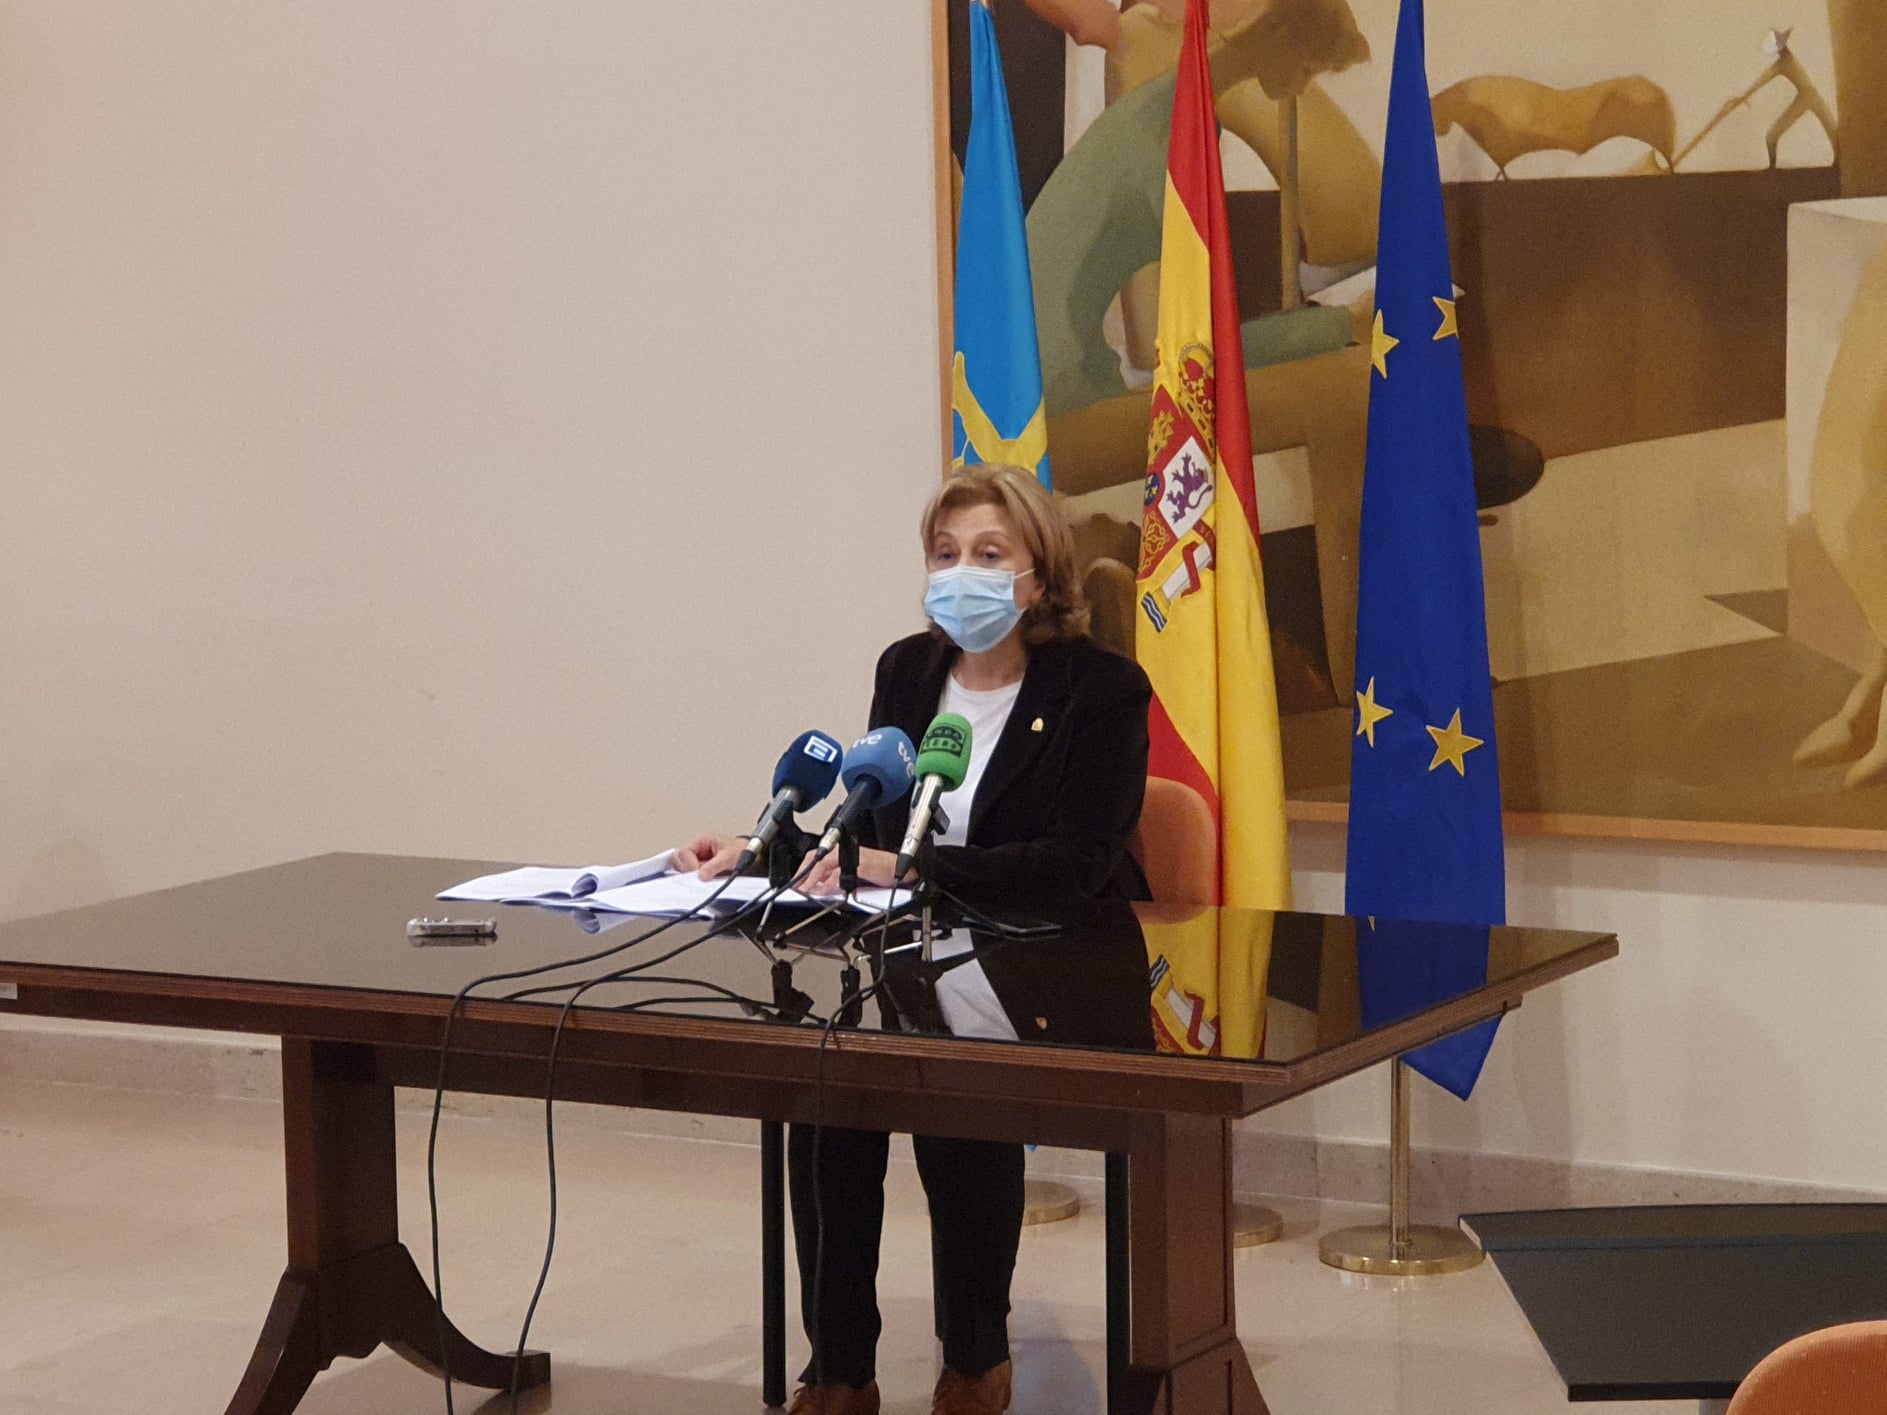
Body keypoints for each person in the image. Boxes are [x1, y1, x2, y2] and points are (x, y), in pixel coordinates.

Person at [672, 463, 1151, 1415]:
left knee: (955, 1084)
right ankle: (839, 1368)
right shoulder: (907, 669)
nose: (961, 573)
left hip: (1046, 958)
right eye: (944, 554)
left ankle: (975, 1355)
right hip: (905, 951)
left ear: (1038, 574)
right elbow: (869, 827)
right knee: (825, 1081)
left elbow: (1079, 860)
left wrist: (920, 872)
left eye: (988, 553)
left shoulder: (1100, 688)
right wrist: (758, 849)